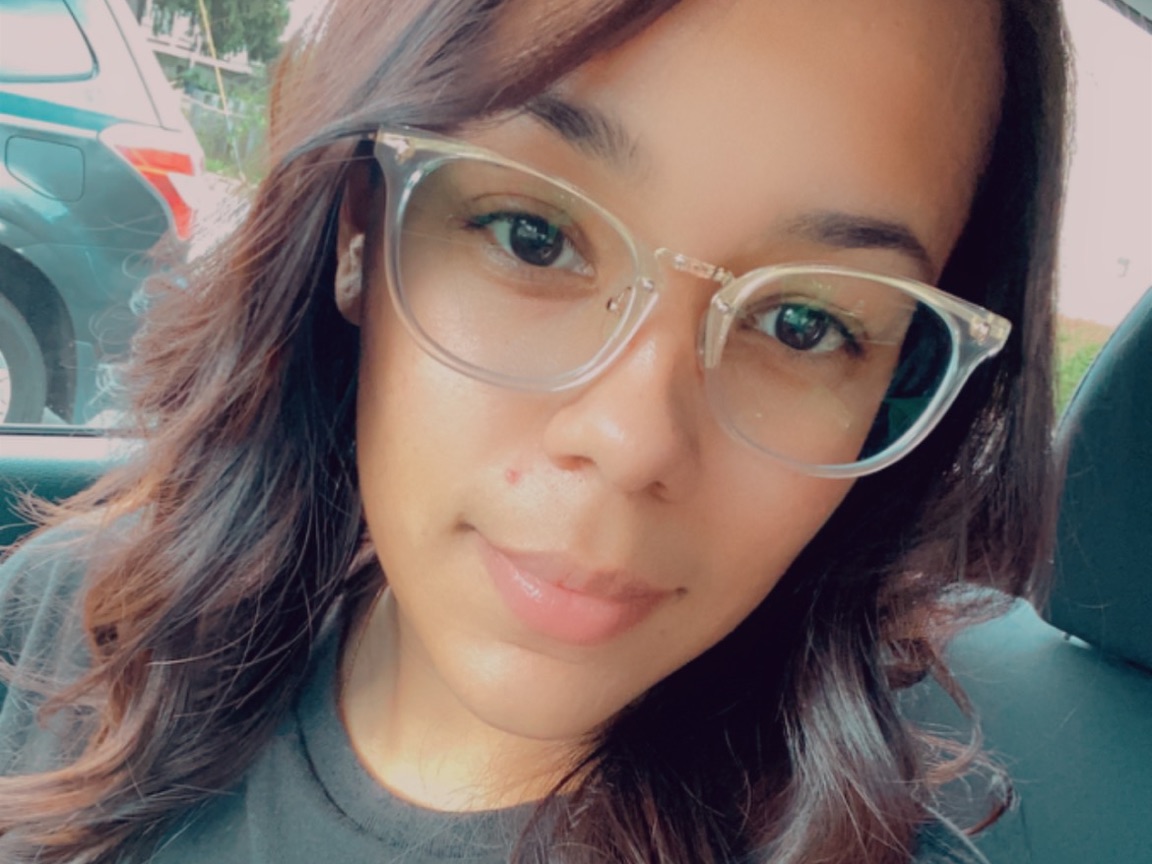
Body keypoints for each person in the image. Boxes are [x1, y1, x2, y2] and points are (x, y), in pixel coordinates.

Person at [0, 0, 1068, 861]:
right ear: (361, 226)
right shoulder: (78, 628)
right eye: (532, 235)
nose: (633, 440)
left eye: (806, 325)